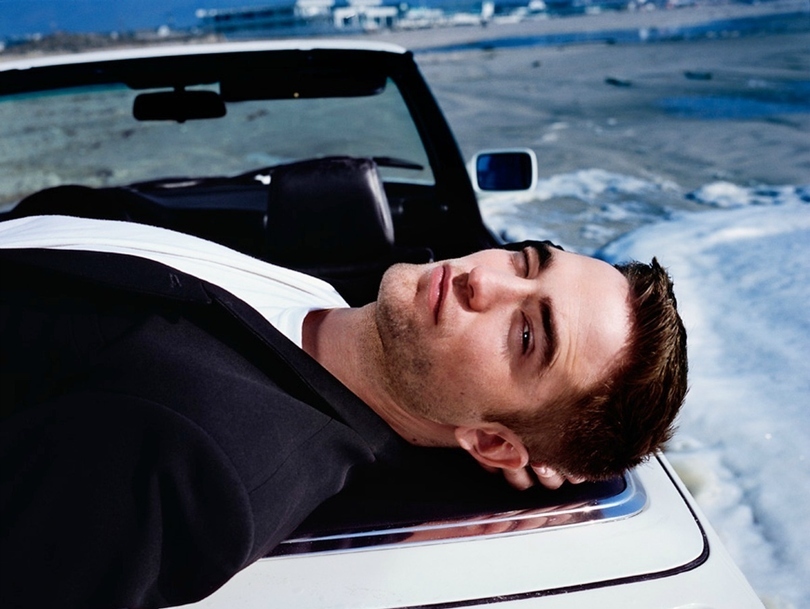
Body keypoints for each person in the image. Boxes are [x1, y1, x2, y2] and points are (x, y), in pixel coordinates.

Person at [0, 214, 687, 609]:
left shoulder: (195, 455)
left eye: (527, 334)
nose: (484, 278)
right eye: (527, 261)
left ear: (491, 442)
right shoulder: (338, 308)